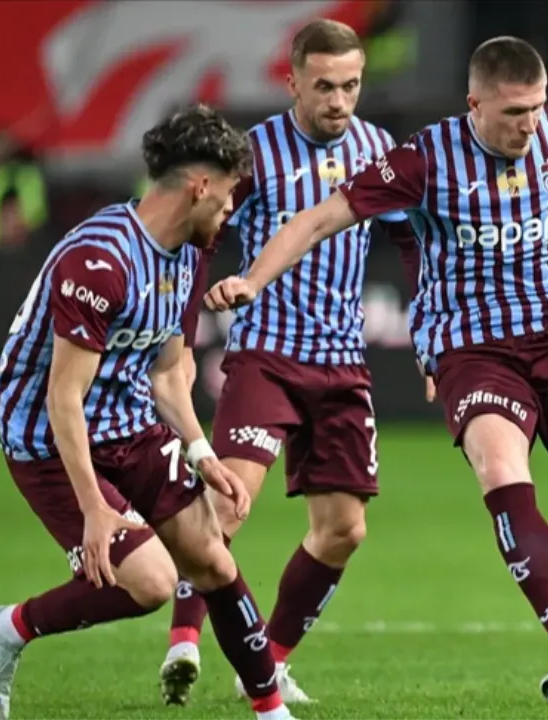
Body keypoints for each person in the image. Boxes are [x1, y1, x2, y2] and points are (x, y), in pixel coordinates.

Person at [205, 35, 548, 720]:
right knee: (503, 470)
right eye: (512, 113)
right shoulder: (424, 158)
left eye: (536, 108)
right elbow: (320, 218)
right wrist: (253, 279)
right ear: (474, 104)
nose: (528, 125)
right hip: (473, 348)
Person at [0, 104, 299, 720]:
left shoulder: (185, 254)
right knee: (150, 583)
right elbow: (63, 396)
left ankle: (271, 711)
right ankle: (6, 629)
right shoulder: (101, 260)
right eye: (228, 193)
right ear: (200, 185)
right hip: (48, 437)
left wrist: (202, 454)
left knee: (211, 557)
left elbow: (167, 374)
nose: (231, 209)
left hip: (128, 421)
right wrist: (94, 508)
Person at [160, 20, 401, 706]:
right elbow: (200, 239)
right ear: (292, 82)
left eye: (350, 85)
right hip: (267, 353)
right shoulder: (256, 153)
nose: (338, 101)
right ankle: (183, 642)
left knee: (344, 530)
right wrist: (181, 340)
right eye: (323, 86)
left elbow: (411, 239)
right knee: (227, 504)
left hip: (343, 363)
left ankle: (264, 663)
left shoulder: (379, 151)